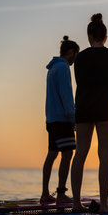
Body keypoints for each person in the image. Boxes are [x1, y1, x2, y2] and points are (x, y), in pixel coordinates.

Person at [71, 13, 108, 213]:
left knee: (80, 153)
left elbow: (81, 82)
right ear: (105, 36)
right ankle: (104, 205)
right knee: (105, 155)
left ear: (89, 35)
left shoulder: (79, 58)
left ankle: (76, 204)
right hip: (105, 109)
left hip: (83, 109)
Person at [41, 36, 80, 204]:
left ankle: (45, 193)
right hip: (62, 119)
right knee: (67, 153)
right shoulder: (63, 68)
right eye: (76, 55)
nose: (76, 59)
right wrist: (73, 118)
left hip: (51, 119)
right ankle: (62, 194)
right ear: (71, 52)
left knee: (52, 154)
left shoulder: (52, 68)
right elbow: (66, 95)